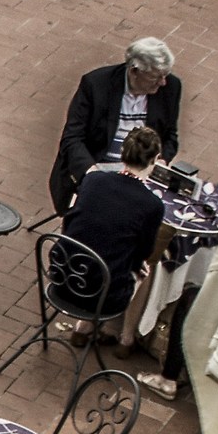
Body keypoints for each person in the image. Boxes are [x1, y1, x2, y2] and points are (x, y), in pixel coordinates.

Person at [50, 38, 184, 214]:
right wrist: (93, 175)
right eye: (156, 76)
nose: (162, 82)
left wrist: (160, 161)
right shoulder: (96, 84)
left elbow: (170, 136)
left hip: (142, 171)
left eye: (165, 75)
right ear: (134, 70)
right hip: (98, 168)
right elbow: (72, 138)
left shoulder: (171, 87)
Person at [60, 125, 168, 333]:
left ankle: (83, 328)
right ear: (155, 159)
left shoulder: (93, 180)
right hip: (102, 298)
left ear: (122, 153)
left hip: (62, 278)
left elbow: (71, 223)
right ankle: (126, 337)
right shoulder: (152, 205)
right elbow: (143, 253)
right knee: (145, 269)